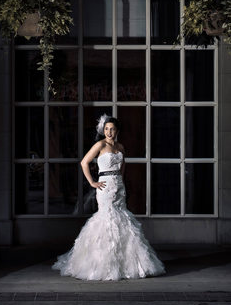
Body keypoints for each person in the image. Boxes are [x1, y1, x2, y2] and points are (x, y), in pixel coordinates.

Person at [52, 114, 165, 281]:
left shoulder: (121, 147)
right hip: (104, 186)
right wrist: (92, 182)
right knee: (107, 218)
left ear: (117, 130)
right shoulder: (100, 144)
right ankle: (102, 264)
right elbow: (84, 162)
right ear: (103, 131)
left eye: (112, 129)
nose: (109, 132)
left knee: (122, 219)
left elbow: (123, 166)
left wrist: (121, 181)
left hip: (119, 186)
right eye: (106, 129)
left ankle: (125, 264)